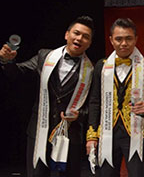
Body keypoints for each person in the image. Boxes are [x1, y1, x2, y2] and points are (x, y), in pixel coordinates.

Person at [0, 16, 95, 177]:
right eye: (76, 33)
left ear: (90, 43)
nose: (79, 38)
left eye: (85, 36)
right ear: (67, 34)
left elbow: (92, 105)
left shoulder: (92, 70)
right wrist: (7, 61)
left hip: (70, 135)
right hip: (39, 130)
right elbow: (18, 73)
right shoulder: (45, 56)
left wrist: (80, 116)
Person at [86, 18, 144, 176]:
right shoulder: (101, 65)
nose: (124, 43)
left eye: (128, 38)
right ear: (111, 40)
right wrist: (91, 135)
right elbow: (94, 102)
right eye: (119, 39)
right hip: (107, 132)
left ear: (136, 39)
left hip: (135, 132)